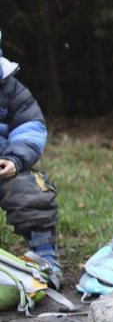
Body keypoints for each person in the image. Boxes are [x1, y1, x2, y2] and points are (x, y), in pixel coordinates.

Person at [0, 36, 62, 289]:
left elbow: (30, 126)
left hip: (3, 165)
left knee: (31, 190)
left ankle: (44, 254)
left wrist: (15, 158)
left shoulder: (9, 87)